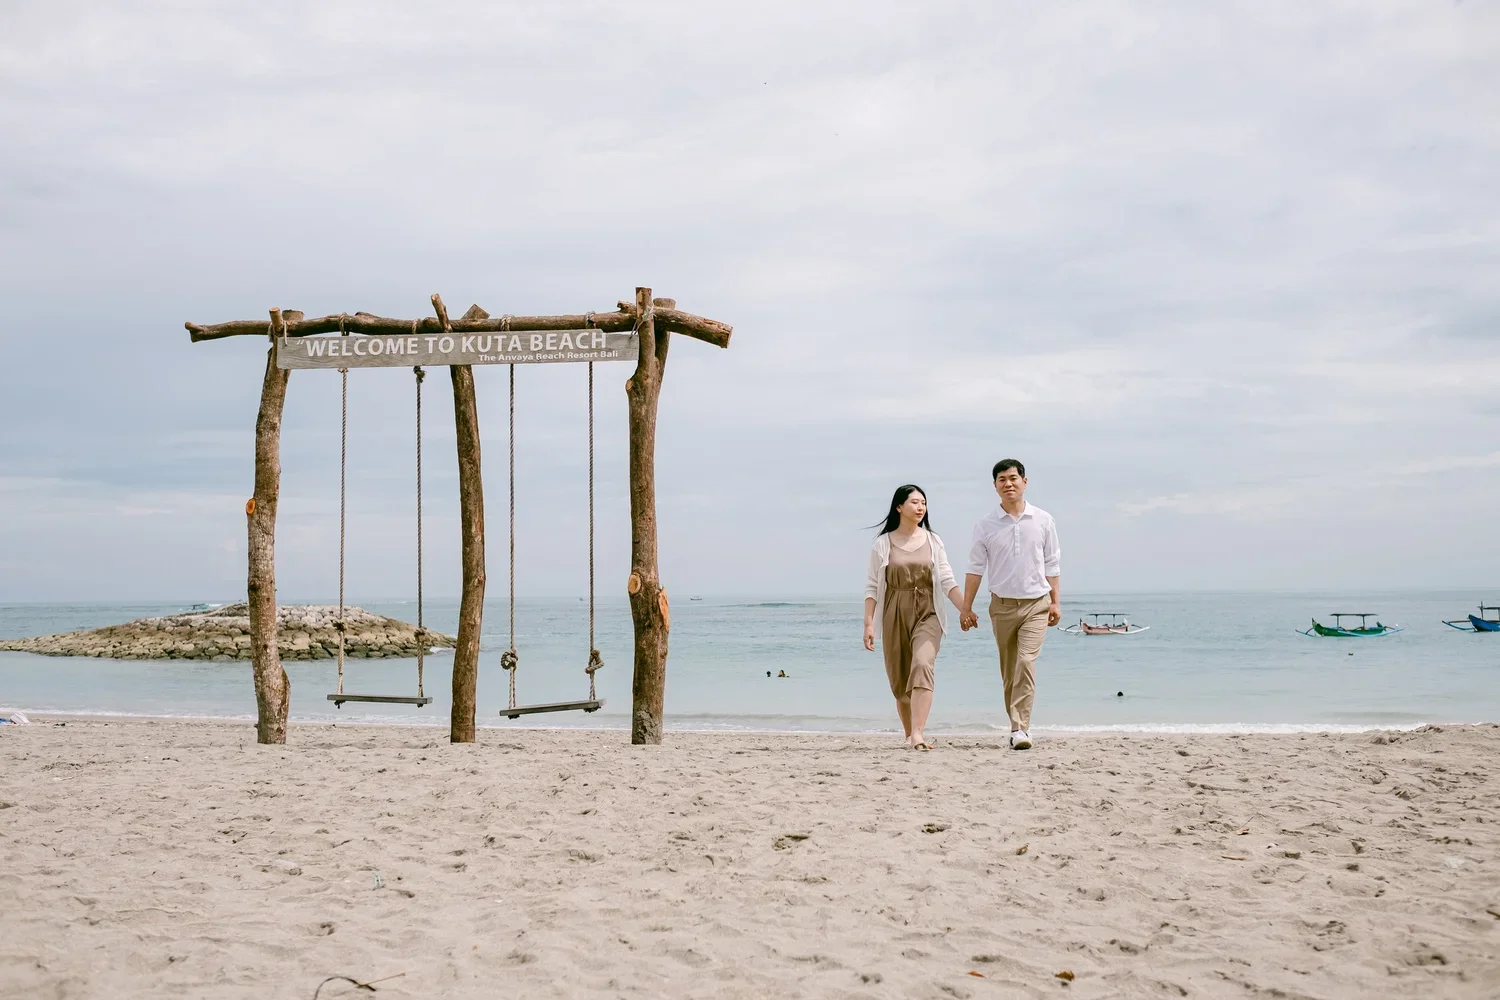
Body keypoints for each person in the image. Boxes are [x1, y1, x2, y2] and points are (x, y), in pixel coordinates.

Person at [959, 459, 1061, 750]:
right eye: (1002, 479)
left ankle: (1020, 729)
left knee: (1026, 662)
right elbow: (975, 567)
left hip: (1036, 605)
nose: (1008, 483)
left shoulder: (1043, 520)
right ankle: (1015, 724)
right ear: (995, 486)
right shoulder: (985, 525)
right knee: (1009, 668)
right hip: (1001, 606)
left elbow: (1053, 562)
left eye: (1013, 478)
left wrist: (1055, 602)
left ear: (1024, 481)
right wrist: (966, 607)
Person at [863, 484, 967, 751]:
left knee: (922, 665)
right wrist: (868, 624)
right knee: (900, 681)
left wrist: (964, 608)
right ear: (899, 507)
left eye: (923, 503)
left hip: (927, 611)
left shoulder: (933, 540)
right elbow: (873, 586)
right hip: (894, 612)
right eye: (914, 502)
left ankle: (919, 733)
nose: (920, 507)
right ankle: (910, 734)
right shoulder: (883, 543)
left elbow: (946, 579)